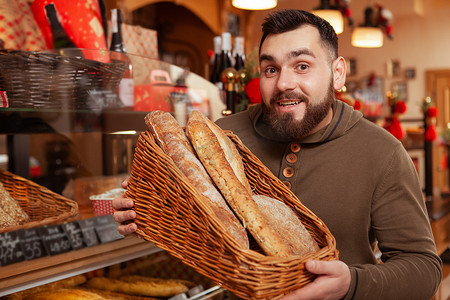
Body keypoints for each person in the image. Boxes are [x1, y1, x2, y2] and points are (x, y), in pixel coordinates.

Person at [113, 9, 442, 300]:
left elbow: (424, 270)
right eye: (271, 69)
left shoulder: (381, 152)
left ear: (337, 73)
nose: (284, 82)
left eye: (302, 66)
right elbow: (203, 224)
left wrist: (351, 284)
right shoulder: (219, 134)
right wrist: (151, 212)